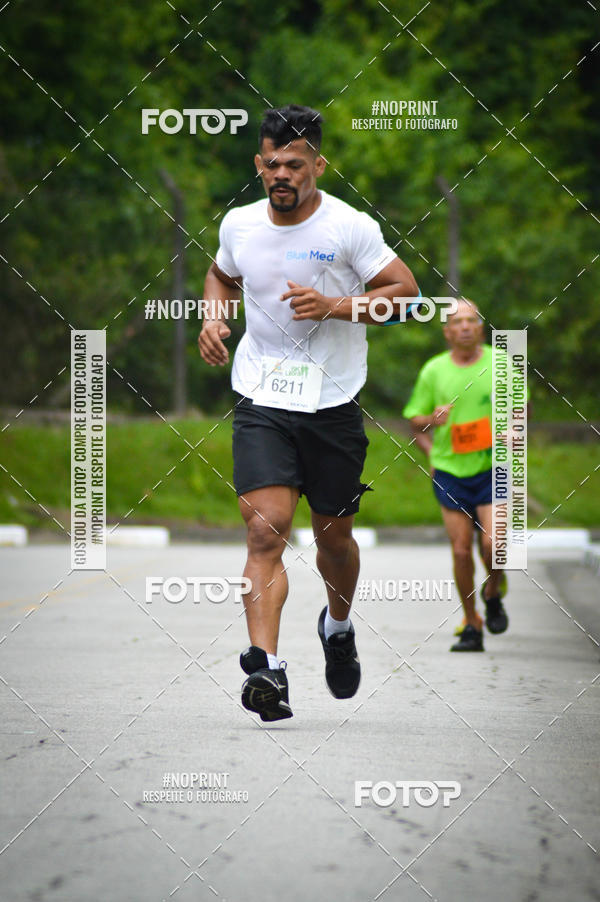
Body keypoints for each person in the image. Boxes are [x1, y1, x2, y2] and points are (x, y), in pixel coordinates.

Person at [198, 104, 418, 720]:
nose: (281, 174)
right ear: (258, 165)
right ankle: (265, 667)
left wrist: (336, 306)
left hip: (332, 401)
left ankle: (338, 625)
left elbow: (405, 296)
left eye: (294, 163)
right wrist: (214, 317)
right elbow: (221, 275)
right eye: (271, 163)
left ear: (317, 165)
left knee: (334, 539)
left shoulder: (349, 227)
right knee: (264, 527)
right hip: (262, 396)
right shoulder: (240, 224)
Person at [403, 300, 510, 652]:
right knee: (462, 551)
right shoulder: (433, 370)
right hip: (450, 470)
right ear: (447, 332)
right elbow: (414, 423)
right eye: (457, 322)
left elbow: (520, 411)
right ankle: (472, 623)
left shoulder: (502, 363)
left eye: (471, 320)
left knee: (494, 545)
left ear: (480, 327)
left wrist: (512, 431)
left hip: (493, 467)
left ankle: (492, 591)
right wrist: (432, 432)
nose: (465, 326)